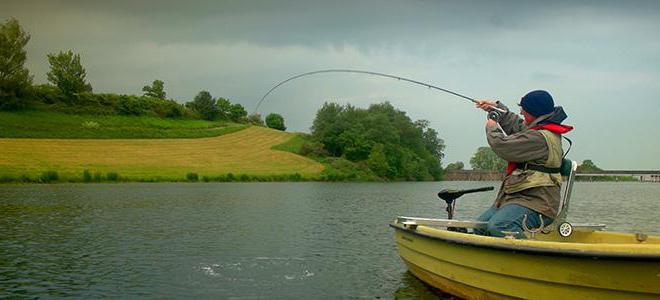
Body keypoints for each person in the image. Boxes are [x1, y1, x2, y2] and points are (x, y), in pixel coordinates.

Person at [473, 90, 573, 238]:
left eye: (524, 110)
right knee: (480, 227)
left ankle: (529, 257)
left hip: (538, 203)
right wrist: (496, 108)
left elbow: (503, 146)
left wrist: (491, 125)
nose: (520, 112)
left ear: (535, 112)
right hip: (518, 198)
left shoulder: (538, 138)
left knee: (500, 225)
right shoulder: (539, 130)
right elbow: (518, 125)